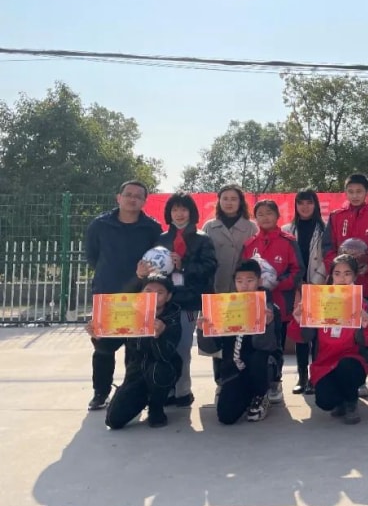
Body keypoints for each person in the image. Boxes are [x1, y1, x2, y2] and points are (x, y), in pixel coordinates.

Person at [84, 180, 162, 411]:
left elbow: (157, 260)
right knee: (103, 348)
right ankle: (100, 393)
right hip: (108, 297)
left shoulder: (152, 228)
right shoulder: (100, 225)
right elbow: (92, 257)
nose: (132, 199)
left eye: (138, 196)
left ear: (144, 201)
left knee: (136, 349)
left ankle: (129, 393)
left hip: (139, 297)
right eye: (128, 194)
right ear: (118, 197)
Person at [322, 173, 368, 397]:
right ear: (345, 192)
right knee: (343, 330)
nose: (355, 195)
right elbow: (327, 247)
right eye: (351, 191)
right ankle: (345, 375)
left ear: (367, 193)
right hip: (341, 285)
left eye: (359, 192)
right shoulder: (336, 216)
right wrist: (338, 269)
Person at [198, 259, 284, 424]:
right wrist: (203, 331)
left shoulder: (270, 309)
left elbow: (268, 346)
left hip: (261, 366)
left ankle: (261, 395)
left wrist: (267, 325)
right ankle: (242, 392)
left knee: (259, 358)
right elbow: (211, 348)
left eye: (250, 280)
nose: (244, 285)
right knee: (226, 416)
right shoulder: (225, 307)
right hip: (234, 368)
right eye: (239, 281)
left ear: (259, 281)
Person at [294, 255, 368, 425]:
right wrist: (299, 321)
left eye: (347, 273)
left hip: (353, 361)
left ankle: (351, 401)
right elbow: (304, 337)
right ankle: (341, 400)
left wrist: (367, 325)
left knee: (346, 366)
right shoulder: (318, 301)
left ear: (355, 276)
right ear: (331, 276)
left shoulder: (363, 304)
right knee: (325, 401)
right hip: (325, 363)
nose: (342, 278)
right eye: (337, 273)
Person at [94, 275, 182, 429]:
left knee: (158, 371)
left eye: (159, 293)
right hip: (136, 372)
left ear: (168, 297)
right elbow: (108, 348)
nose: (153, 296)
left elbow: (165, 355)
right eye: (148, 291)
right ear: (140, 294)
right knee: (113, 420)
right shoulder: (129, 314)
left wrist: (159, 335)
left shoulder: (172, 318)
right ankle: (141, 397)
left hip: (163, 369)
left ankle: (156, 408)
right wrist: (98, 337)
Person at [156, 192, 217, 408]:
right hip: (165, 301)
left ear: (191, 212)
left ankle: (182, 391)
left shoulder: (202, 238)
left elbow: (209, 267)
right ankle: (167, 388)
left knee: (182, 347)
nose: (179, 214)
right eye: (175, 209)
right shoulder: (162, 238)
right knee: (164, 347)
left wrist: (183, 266)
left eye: (184, 209)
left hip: (189, 300)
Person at [242, 199, 304, 403]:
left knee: (276, 344)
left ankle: (276, 381)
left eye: (269, 213)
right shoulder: (250, 244)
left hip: (280, 302)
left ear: (277, 216)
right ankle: (258, 383)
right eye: (260, 214)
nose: (265, 217)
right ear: (255, 218)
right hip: (254, 305)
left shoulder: (288, 241)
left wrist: (277, 282)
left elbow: (298, 270)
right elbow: (242, 272)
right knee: (256, 345)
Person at [281, 189, 327, 395]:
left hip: (318, 286)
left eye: (309, 203)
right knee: (300, 334)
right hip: (296, 287)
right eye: (301, 203)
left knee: (317, 335)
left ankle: (316, 377)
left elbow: (329, 257)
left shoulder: (325, 228)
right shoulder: (287, 230)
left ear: (315, 205)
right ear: (296, 206)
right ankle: (302, 377)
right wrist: (298, 283)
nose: (305, 207)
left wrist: (315, 282)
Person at [202, 184, 258, 294]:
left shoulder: (251, 227)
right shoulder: (209, 226)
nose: (229, 203)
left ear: (240, 202)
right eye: (225, 199)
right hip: (214, 285)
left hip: (243, 288)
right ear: (219, 201)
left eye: (233, 199)